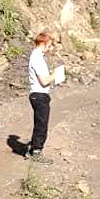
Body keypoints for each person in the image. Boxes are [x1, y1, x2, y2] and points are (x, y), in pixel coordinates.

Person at [28, 32, 60, 165]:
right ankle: (36, 152)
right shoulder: (37, 58)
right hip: (40, 95)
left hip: (37, 95)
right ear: (43, 43)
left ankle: (33, 149)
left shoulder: (36, 56)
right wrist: (56, 74)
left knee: (39, 123)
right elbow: (44, 81)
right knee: (42, 125)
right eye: (49, 45)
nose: (50, 48)